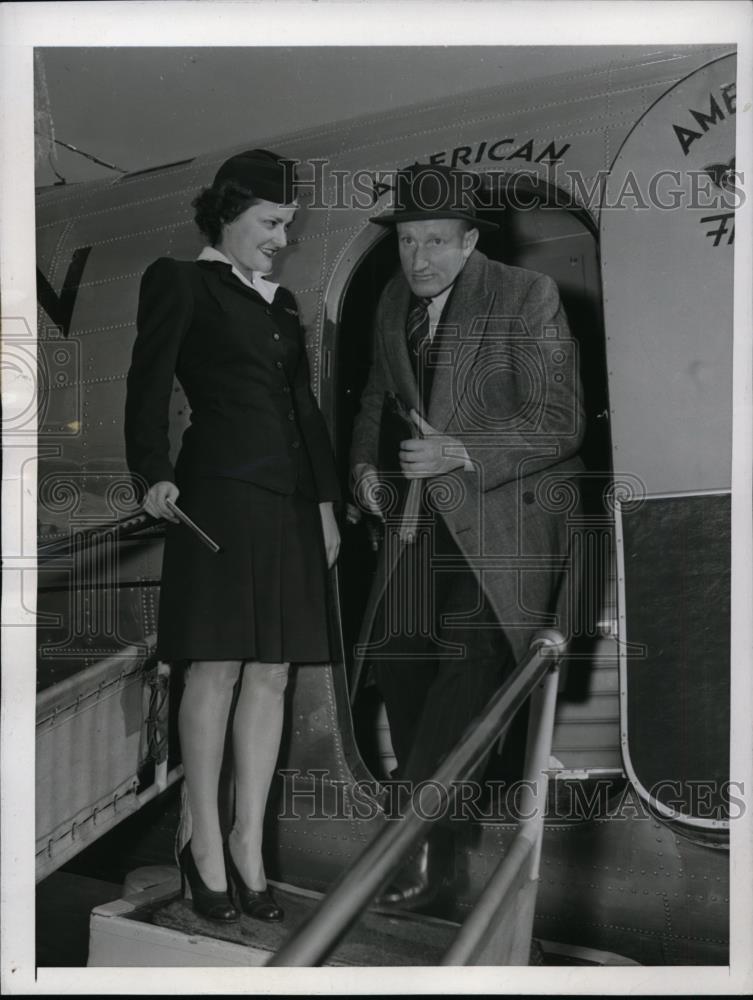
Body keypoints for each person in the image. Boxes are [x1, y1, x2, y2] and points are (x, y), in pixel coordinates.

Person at [350, 163, 585, 908]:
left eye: (435, 242)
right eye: (408, 241)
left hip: (499, 531)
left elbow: (559, 419)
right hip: (418, 528)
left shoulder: (525, 296)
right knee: (400, 667)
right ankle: (445, 859)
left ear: (470, 241)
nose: (418, 258)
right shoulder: (393, 301)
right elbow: (378, 400)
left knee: (464, 673)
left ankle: (407, 846)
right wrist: (361, 468)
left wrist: (460, 450)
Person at [125, 149, 340, 924]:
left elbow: (303, 411)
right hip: (214, 498)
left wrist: (322, 506)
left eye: (287, 224)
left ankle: (250, 844)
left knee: (273, 673)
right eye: (271, 222)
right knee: (213, 671)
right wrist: (149, 471)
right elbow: (146, 384)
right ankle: (204, 842)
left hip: (285, 507)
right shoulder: (180, 281)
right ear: (228, 214)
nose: (282, 237)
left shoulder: (280, 305)